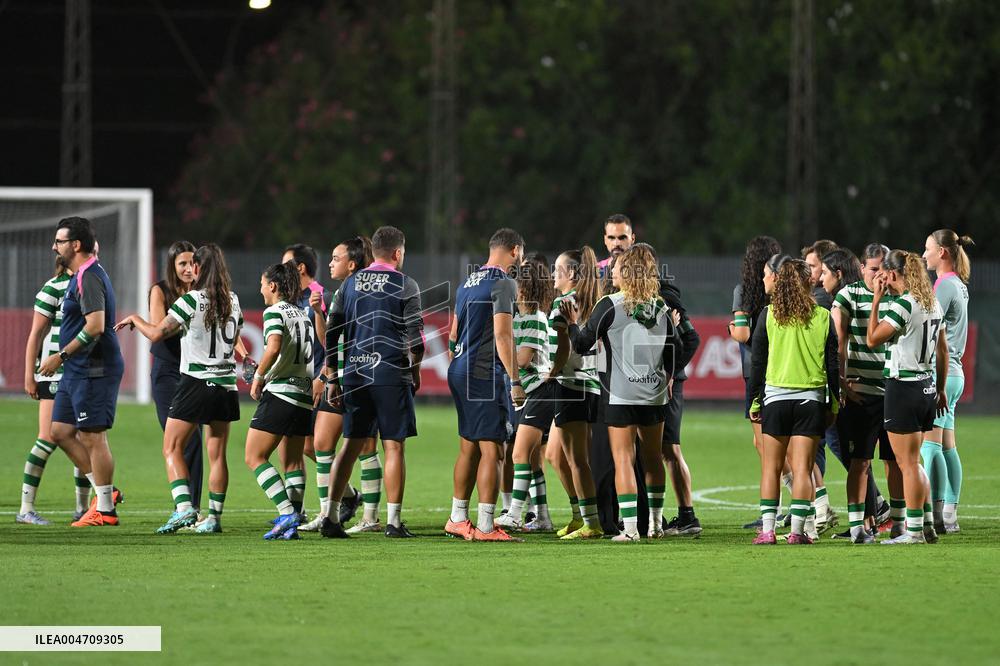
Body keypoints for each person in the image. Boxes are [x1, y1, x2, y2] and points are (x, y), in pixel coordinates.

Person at [116, 244, 242, 534]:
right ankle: (214, 519)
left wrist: (135, 319)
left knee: (171, 447)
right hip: (227, 384)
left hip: (196, 383)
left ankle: (184, 508)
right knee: (217, 455)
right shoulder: (233, 300)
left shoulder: (191, 300)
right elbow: (235, 334)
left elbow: (157, 333)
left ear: (198, 268)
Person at [561, 244, 678, 541]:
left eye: (616, 267)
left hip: (621, 394)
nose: (611, 270)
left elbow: (582, 344)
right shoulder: (661, 307)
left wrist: (572, 325)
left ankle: (630, 530)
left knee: (624, 458)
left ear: (627, 271)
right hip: (654, 394)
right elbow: (677, 348)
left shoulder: (609, 304)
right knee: (653, 458)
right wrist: (667, 375)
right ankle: (655, 526)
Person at [321, 226, 424, 539]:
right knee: (393, 446)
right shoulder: (406, 284)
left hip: (355, 372)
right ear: (397, 253)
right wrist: (415, 371)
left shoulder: (349, 284)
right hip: (391, 373)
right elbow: (416, 339)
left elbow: (332, 332)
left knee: (350, 444)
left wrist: (332, 375)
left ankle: (330, 517)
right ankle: (393, 522)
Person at [39, 217, 125, 527]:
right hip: (76, 369)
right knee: (59, 432)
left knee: (92, 436)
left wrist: (60, 356)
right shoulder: (81, 275)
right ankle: (106, 493)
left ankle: (105, 510)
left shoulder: (89, 276)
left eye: (59, 241)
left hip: (93, 368)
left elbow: (96, 326)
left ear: (75, 245)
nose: (54, 247)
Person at [442, 229, 525, 541]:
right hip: (483, 373)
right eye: (521, 253)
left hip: (459, 368)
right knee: (494, 450)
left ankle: (457, 518)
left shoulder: (467, 282)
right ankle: (487, 526)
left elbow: (453, 336)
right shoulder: (504, 283)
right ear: (514, 250)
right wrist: (515, 380)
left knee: (469, 447)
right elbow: (503, 335)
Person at [749, 258, 839, 545]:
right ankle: (798, 532)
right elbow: (833, 365)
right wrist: (834, 403)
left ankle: (768, 531)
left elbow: (757, 365)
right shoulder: (822, 316)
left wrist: (753, 402)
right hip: (810, 401)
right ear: (809, 282)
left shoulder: (768, 315)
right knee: (802, 470)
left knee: (771, 469)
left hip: (775, 399)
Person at [299, 236, 381, 533]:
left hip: (363, 376)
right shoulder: (339, 293)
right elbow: (329, 341)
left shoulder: (370, 293)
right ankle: (327, 513)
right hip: (339, 377)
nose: (331, 263)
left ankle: (370, 518)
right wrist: (318, 314)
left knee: (366, 447)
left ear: (352, 264)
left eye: (336, 258)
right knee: (321, 444)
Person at [867, 250, 947, 545]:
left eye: (884, 275)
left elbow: (872, 338)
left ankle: (912, 532)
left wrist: (876, 300)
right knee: (915, 462)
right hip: (926, 386)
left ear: (891, 274)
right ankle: (925, 523)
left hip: (904, 387)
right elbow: (943, 349)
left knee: (908, 465)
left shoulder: (904, 304)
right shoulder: (932, 302)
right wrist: (940, 389)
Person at [827, 244, 901, 543]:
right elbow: (839, 342)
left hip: (893, 391)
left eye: (884, 268)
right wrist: (841, 382)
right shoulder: (849, 295)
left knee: (895, 461)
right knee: (860, 461)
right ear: (861, 269)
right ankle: (858, 526)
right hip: (861, 394)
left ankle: (899, 523)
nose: (880, 274)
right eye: (873, 269)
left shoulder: (898, 296)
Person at [244, 262, 317, 540]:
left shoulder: (273, 312)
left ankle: (287, 513)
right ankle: (292, 525)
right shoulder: (303, 314)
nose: (261, 289)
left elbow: (273, 347)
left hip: (281, 392)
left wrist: (259, 376)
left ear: (273, 286)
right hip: (303, 395)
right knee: (294, 462)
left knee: (254, 456)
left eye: (263, 284)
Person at [18, 260, 91, 524]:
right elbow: (35, 334)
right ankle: (26, 508)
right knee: (48, 437)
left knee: (82, 440)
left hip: (80, 371)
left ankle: (83, 509)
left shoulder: (90, 284)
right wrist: (29, 375)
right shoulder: (53, 287)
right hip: (54, 372)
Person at [495, 253, 555, 532]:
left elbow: (522, 358)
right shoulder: (521, 317)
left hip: (539, 393)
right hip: (530, 394)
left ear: (523, 288)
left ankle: (515, 514)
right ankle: (542, 517)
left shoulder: (534, 317)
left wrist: (504, 353)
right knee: (530, 459)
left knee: (518, 454)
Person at [920, 230, 973, 533]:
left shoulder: (943, 285)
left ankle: (935, 513)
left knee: (930, 447)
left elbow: (930, 328)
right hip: (955, 373)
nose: (923, 254)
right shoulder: (959, 285)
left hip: (942, 373)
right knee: (948, 446)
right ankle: (950, 513)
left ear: (942, 252)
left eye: (927, 249)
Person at [549, 246, 604, 540]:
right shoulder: (591, 302)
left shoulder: (564, 304)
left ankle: (591, 523)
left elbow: (563, 348)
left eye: (557, 269)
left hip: (571, 385)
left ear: (571, 273)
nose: (552, 274)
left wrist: (552, 371)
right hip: (589, 385)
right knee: (554, 455)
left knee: (577, 460)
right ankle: (579, 516)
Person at [147, 241, 205, 515]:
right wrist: (186, 317)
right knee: (180, 440)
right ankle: (184, 508)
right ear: (172, 266)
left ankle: (191, 508)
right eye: (182, 263)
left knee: (195, 440)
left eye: (192, 263)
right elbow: (159, 329)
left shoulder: (203, 292)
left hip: (194, 372)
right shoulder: (160, 290)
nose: (188, 268)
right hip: (167, 373)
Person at [730, 235, 782, 529]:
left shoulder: (744, 291)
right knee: (774, 441)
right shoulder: (784, 291)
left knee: (766, 444)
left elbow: (742, 334)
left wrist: (730, 328)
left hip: (756, 372)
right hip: (784, 370)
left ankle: (773, 512)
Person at [802, 239, 839, 309]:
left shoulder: (822, 297)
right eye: (806, 266)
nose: (807, 271)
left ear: (827, 265)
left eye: (812, 266)